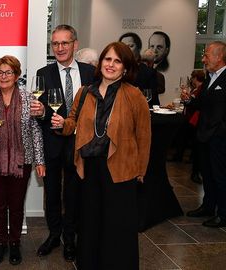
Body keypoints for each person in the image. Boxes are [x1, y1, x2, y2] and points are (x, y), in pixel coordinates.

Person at [60, 42, 151, 270]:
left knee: (117, 227)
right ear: (100, 63)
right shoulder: (85, 93)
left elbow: (144, 135)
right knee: (90, 224)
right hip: (89, 169)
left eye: (117, 61)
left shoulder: (134, 95)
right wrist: (63, 124)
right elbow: (72, 121)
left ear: (125, 67)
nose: (111, 65)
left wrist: (140, 170)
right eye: (107, 59)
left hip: (121, 170)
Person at [30, 24, 95, 262]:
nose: (59, 48)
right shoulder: (43, 73)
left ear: (75, 45)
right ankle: (54, 235)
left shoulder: (91, 73)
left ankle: (70, 238)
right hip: (53, 144)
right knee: (52, 194)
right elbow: (39, 110)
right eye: (55, 43)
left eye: (64, 43)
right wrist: (43, 112)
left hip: (81, 144)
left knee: (74, 194)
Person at [0, 55, 45, 265]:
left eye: (8, 72)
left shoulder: (28, 99)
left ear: (16, 75)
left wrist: (40, 160)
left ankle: (14, 243)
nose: (3, 76)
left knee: (16, 206)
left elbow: (35, 131)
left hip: (21, 161)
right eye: (0, 72)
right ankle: (1, 243)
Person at [184, 41, 226, 227]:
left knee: (220, 176)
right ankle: (208, 206)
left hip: (220, 137)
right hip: (203, 135)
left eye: (206, 55)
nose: (203, 59)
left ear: (219, 57)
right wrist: (190, 100)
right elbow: (202, 103)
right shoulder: (210, 77)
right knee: (207, 174)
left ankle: (223, 214)